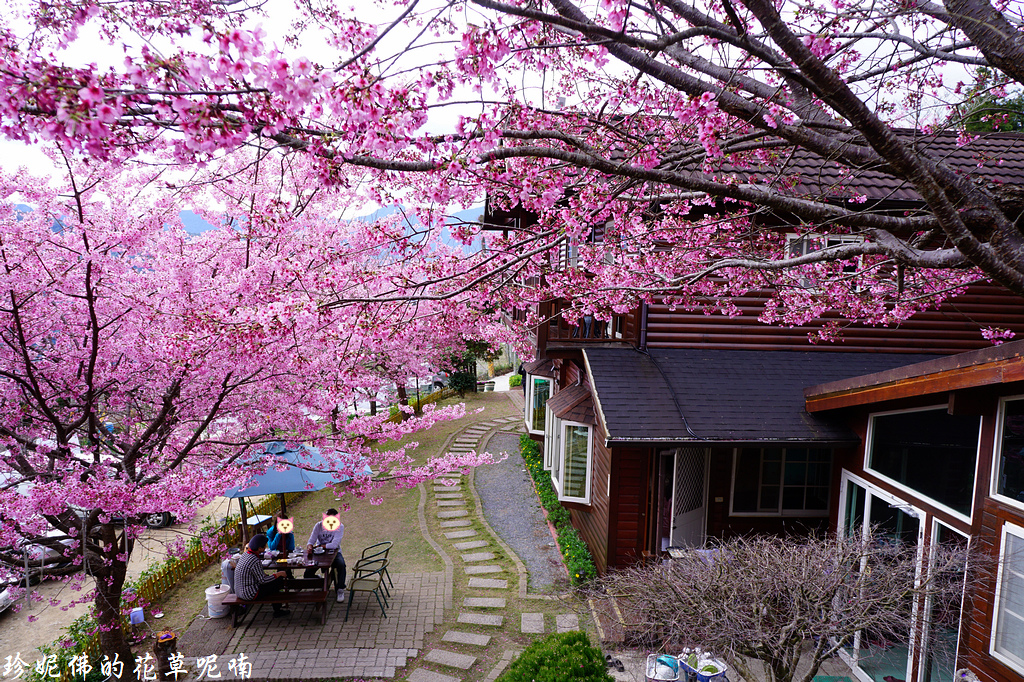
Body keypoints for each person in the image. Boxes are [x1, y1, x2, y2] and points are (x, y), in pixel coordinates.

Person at [234, 534, 290, 617]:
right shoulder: (255, 560)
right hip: (249, 594)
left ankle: (277, 607)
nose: (265, 548)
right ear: (260, 548)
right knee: (277, 582)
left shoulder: (245, 555)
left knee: (273, 583)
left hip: (239, 591)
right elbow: (263, 580)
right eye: (264, 546)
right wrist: (278, 574)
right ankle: (277, 610)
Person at [304, 508, 347, 602]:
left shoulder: (340, 526)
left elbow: (334, 545)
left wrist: (320, 545)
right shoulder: (318, 525)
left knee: (341, 565)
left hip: (335, 552)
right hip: (319, 553)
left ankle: (340, 589)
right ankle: (321, 582)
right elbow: (311, 540)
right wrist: (310, 547)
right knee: (308, 572)